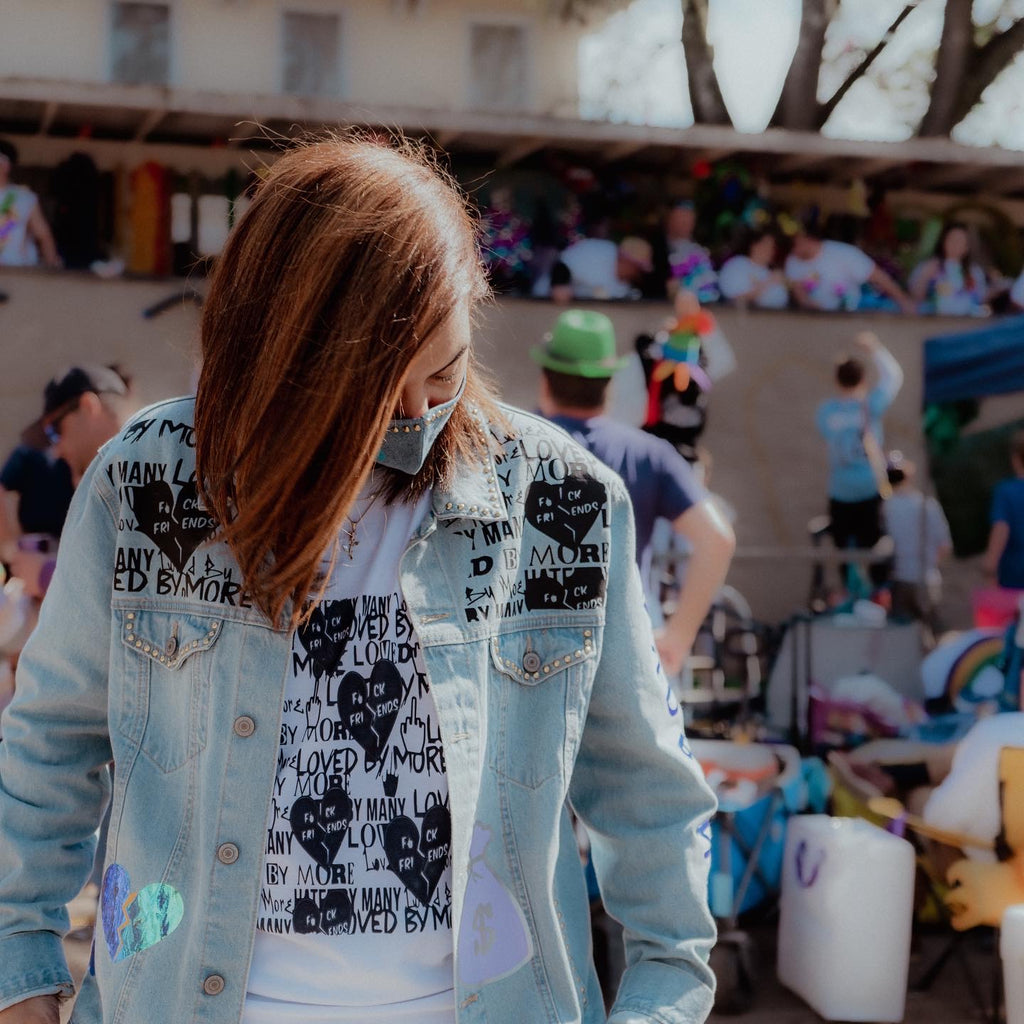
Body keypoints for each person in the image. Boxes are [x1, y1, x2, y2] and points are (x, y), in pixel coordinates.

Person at [0, 135, 717, 1024]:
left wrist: (662, 999)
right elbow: (50, 742)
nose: (418, 412)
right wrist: (21, 968)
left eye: (445, 372)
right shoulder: (150, 480)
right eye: (379, 390)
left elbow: (650, 793)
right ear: (284, 355)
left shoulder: (562, 503)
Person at [533, 307, 735, 676]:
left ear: (545, 380)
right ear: (609, 383)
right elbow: (717, 539)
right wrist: (677, 639)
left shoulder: (510, 446)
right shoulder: (651, 455)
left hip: (529, 647)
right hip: (623, 649)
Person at [5, 365, 134, 599]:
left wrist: (47, 575)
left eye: (55, 431)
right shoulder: (120, 472)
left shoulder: (148, 464)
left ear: (88, 406)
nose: (56, 451)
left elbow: (146, 584)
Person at [816, 332, 903, 588]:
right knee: (876, 549)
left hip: (840, 490)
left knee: (845, 553)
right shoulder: (870, 407)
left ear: (837, 380)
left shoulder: (826, 412)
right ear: (863, 380)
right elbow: (893, 378)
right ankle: (879, 597)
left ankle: (853, 596)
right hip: (868, 489)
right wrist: (875, 348)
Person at [881, 451, 951, 631]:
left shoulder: (885, 508)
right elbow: (944, 546)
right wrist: (930, 563)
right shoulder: (927, 505)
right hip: (926, 577)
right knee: (932, 637)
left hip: (900, 580)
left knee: (901, 638)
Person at [785, 222, 913, 314]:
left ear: (808, 238)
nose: (792, 247)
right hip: (814, 320)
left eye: (795, 241)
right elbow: (799, 293)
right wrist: (813, 307)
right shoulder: (792, 261)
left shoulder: (843, 252)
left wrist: (903, 301)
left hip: (850, 316)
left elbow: (878, 277)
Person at [531, 234, 652, 302]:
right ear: (625, 261)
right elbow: (562, 264)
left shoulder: (627, 287)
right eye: (637, 268)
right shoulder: (598, 251)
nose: (637, 273)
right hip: (545, 301)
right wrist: (560, 284)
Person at [0, 139, 60, 269]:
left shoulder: (22, 198)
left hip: (17, 271)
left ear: (6, 166)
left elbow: (44, 236)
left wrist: (53, 272)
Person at [908, 222, 989, 317]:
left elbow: (981, 299)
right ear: (943, 241)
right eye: (951, 239)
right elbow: (915, 298)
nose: (955, 244)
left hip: (966, 323)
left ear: (967, 247)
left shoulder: (974, 271)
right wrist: (925, 276)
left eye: (959, 241)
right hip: (936, 321)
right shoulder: (929, 265)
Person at [648, 201, 719, 304]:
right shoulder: (655, 247)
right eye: (681, 219)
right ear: (669, 220)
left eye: (689, 219)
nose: (686, 223)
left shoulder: (700, 249)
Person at [982, 430, 1024, 591]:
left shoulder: (1006, 491)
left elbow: (1001, 528)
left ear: (1015, 459)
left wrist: (990, 565)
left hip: (1015, 578)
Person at [718, 229, 788, 309]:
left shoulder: (772, 272)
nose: (769, 250)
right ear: (754, 245)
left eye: (772, 247)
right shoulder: (737, 265)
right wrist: (769, 282)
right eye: (766, 245)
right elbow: (736, 299)